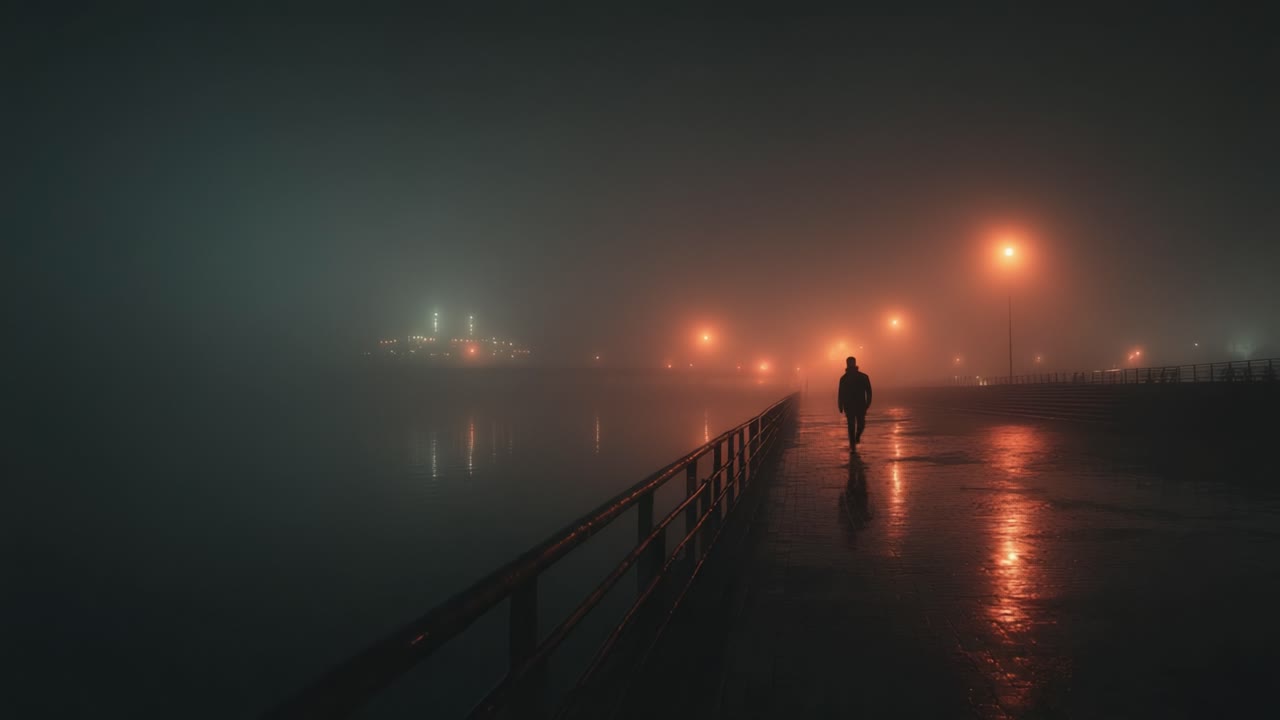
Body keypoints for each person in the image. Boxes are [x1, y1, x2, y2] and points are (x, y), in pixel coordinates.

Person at [837, 356, 872, 447]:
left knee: (861, 425)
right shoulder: (844, 379)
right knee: (851, 425)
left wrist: (868, 403)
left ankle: (857, 437)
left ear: (854, 363)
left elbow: (868, 391)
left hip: (860, 405)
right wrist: (840, 405)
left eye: (852, 363)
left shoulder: (863, 377)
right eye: (849, 363)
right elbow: (841, 393)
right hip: (849, 406)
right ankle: (852, 445)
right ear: (847, 364)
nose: (851, 365)